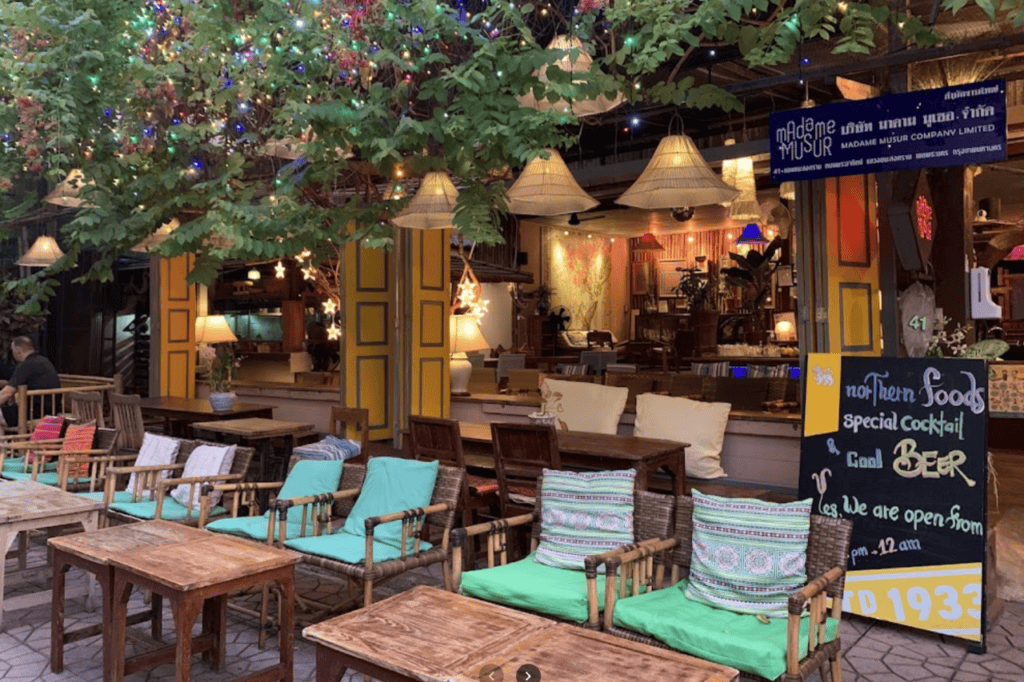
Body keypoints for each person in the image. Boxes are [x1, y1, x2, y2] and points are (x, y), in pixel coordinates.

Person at [0, 336, 61, 429]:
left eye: (12, 350)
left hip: (33, 412)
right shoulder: (44, 361)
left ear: (18, 351)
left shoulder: (25, 365)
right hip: (52, 410)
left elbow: (7, 393)